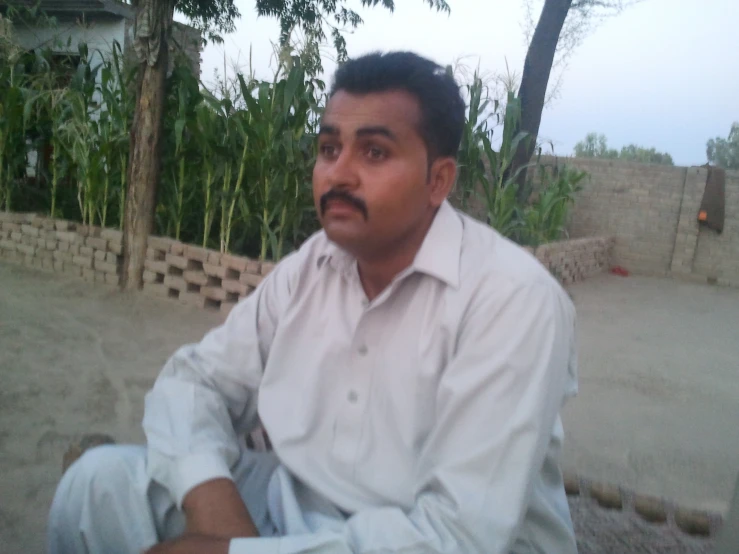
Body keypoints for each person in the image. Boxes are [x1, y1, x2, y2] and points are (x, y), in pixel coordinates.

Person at [48, 51, 579, 554]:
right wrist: (219, 517)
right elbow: (196, 381)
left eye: (374, 152)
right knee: (96, 485)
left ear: (437, 180)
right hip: (291, 504)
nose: (338, 173)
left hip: (430, 537)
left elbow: (457, 536)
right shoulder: (314, 265)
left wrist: (237, 553)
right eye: (329, 149)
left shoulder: (513, 301)